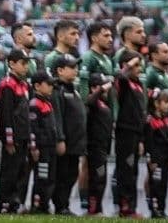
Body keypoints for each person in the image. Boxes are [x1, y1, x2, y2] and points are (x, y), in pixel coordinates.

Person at [0, 49, 32, 213]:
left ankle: (15, 202)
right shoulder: (7, 85)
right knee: (9, 171)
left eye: (27, 63)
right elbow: (6, 114)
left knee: (21, 170)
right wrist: (8, 139)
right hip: (13, 137)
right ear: (11, 64)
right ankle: (4, 203)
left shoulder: (24, 84)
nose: (26, 67)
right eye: (23, 63)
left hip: (24, 134)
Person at [114, 50, 147, 216]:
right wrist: (130, 64)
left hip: (136, 133)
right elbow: (120, 76)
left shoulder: (139, 84)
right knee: (125, 170)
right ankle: (125, 207)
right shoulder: (124, 82)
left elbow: (141, 113)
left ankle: (131, 208)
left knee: (133, 170)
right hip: (125, 131)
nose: (139, 68)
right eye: (136, 65)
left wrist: (141, 138)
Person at [51, 54, 85, 215]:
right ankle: (60, 206)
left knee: (72, 174)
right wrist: (60, 139)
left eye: (76, 67)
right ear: (60, 70)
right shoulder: (57, 90)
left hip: (76, 143)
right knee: (62, 175)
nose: (75, 70)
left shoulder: (74, 89)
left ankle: (65, 205)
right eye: (72, 67)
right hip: (66, 142)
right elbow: (57, 116)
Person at [28, 70, 59, 214]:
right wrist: (34, 147)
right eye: (48, 84)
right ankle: (38, 205)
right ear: (37, 86)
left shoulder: (47, 103)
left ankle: (45, 205)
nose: (51, 87)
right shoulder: (35, 104)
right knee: (42, 177)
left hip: (50, 147)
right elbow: (33, 129)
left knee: (50, 178)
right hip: (42, 148)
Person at [86, 72, 114, 215]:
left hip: (103, 147)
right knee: (97, 179)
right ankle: (93, 209)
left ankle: (98, 208)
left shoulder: (104, 103)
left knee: (102, 178)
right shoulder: (94, 102)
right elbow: (89, 101)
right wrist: (101, 89)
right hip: (95, 148)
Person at [145, 90, 168, 218]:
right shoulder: (150, 121)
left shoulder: (166, 120)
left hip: (166, 159)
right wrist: (150, 159)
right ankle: (155, 211)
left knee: (164, 185)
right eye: (166, 102)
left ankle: (162, 210)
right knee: (156, 185)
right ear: (157, 104)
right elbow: (148, 142)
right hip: (156, 159)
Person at [79, 21, 115, 99]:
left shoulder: (107, 59)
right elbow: (83, 86)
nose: (111, 39)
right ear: (94, 38)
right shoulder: (88, 57)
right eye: (106, 36)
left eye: (111, 36)